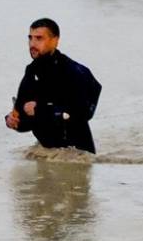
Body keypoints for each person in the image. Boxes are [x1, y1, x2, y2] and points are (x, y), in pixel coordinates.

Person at [5, 18, 102, 154]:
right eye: (30, 38)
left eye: (39, 38)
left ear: (55, 40)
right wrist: (13, 121)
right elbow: (26, 117)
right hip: (46, 153)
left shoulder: (76, 71)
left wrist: (41, 111)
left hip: (77, 157)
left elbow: (84, 113)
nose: (32, 44)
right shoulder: (31, 71)